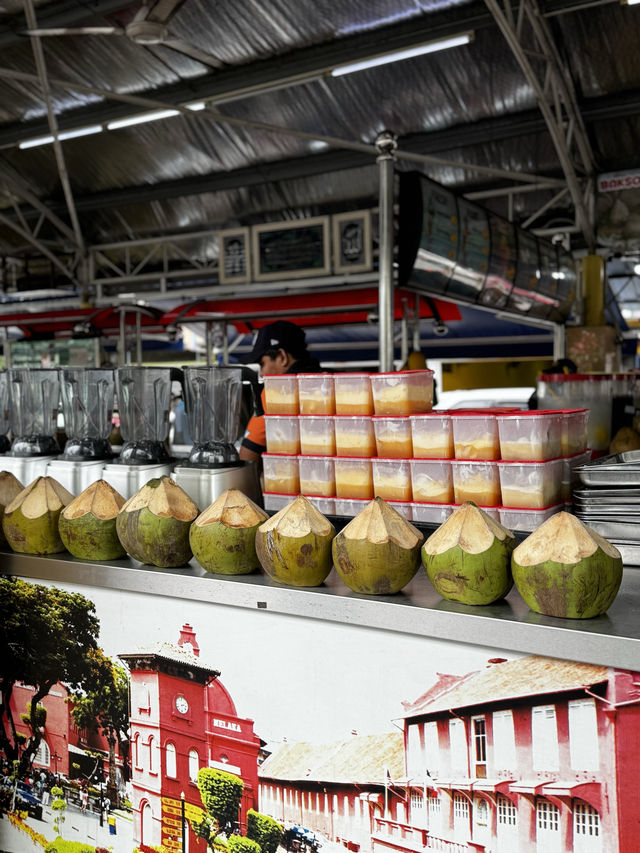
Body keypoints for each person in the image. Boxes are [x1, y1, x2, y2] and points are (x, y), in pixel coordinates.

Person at [238, 321, 322, 462]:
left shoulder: (275, 393)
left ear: (282, 357)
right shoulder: (331, 384)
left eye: (262, 364)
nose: (261, 374)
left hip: (286, 481)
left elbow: (248, 457)